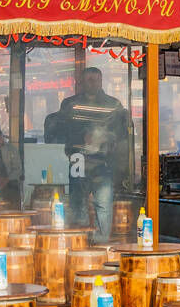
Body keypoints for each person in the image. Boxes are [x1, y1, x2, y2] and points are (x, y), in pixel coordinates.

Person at [47, 66, 129, 243]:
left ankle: (101, 244)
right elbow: (61, 129)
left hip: (103, 161)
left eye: (96, 80)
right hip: (78, 159)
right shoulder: (70, 104)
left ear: (101, 81)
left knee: (104, 204)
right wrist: (81, 136)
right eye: (89, 80)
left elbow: (122, 133)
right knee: (78, 203)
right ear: (82, 82)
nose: (92, 83)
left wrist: (105, 137)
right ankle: (79, 242)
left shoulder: (112, 104)